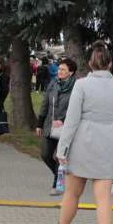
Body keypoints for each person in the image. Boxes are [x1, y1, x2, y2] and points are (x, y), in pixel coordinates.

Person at [44, 42, 113, 224]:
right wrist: (110, 131)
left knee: (72, 192)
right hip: (109, 143)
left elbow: (71, 120)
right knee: (104, 198)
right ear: (111, 64)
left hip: (83, 140)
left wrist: (62, 147)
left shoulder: (81, 85)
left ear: (91, 63)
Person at [35, 58, 78, 194]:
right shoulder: (53, 83)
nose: (59, 71)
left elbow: (76, 108)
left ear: (71, 72)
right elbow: (45, 104)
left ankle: (57, 185)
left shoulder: (77, 87)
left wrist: (64, 120)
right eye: (59, 69)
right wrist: (39, 124)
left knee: (61, 157)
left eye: (63, 69)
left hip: (66, 127)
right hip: (50, 125)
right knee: (46, 154)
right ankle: (58, 175)